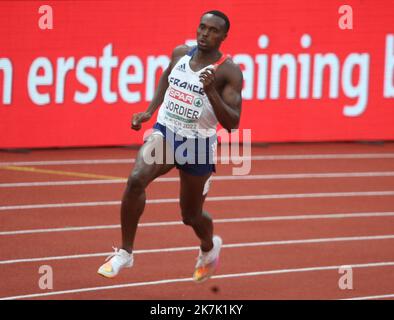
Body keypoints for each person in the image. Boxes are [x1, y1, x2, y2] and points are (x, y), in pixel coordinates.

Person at [98, 10, 243, 283]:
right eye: (202, 27)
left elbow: (233, 123)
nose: (205, 33)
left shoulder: (229, 72)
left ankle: (209, 248)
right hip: (166, 133)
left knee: (190, 215)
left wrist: (211, 90)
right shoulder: (180, 53)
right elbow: (167, 78)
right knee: (136, 179)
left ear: (224, 37)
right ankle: (125, 253)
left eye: (213, 30)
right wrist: (150, 111)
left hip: (198, 144)